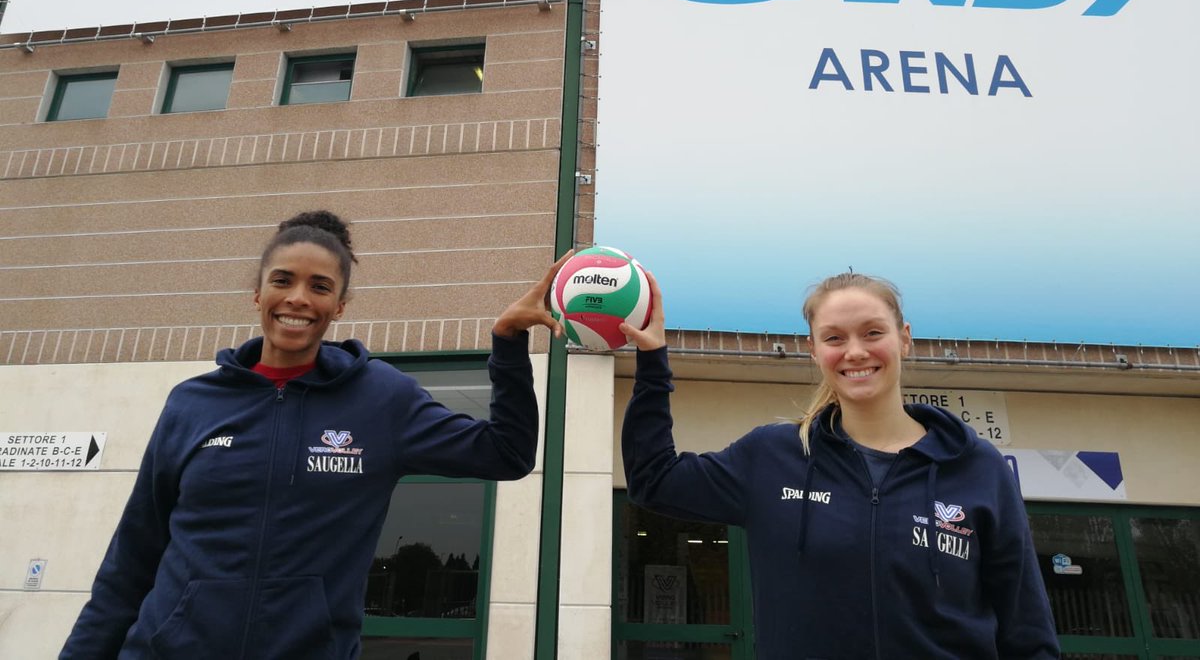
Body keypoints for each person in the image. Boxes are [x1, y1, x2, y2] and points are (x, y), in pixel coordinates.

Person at [61, 210, 569, 660]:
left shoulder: (382, 399)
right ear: (258, 293)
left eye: (320, 287)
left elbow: (507, 453)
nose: (298, 299)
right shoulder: (192, 403)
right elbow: (131, 561)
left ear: (339, 305)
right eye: (282, 281)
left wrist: (508, 343)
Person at [621, 271, 1060, 660]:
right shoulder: (771, 457)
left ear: (904, 338)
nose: (855, 352)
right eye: (834, 338)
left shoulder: (977, 467)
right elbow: (654, 480)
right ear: (813, 350)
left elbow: (1027, 629)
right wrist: (653, 360)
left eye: (873, 332)